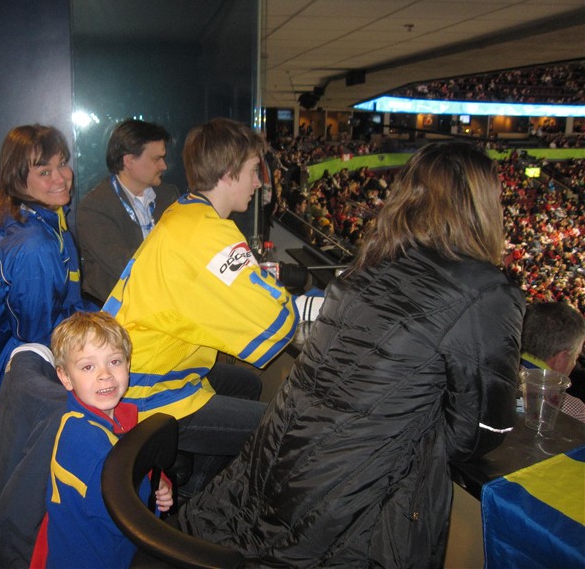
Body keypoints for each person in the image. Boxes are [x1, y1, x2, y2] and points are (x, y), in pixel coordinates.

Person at [177, 141, 524, 567]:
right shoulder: (487, 291)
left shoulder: (368, 267)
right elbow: (481, 430)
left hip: (275, 471)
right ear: (483, 204)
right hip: (353, 508)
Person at [104, 118, 323, 497]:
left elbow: (232, 284)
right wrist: (322, 307)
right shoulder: (208, 232)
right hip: (148, 392)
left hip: (144, 367)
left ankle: (198, 487)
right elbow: (273, 318)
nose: (259, 183)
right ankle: (197, 508)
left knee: (248, 383)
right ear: (228, 174)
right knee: (286, 429)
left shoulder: (185, 211)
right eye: (253, 171)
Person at [0, 124, 94, 436]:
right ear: (18, 178)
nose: (61, 177)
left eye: (62, 163)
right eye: (44, 171)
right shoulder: (33, 244)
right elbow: (40, 336)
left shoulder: (30, 217)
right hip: (22, 383)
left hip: (6, 369)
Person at [30, 312, 173, 568]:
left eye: (114, 361)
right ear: (65, 377)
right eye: (88, 367)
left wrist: (158, 479)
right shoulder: (86, 443)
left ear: (128, 366)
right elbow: (131, 519)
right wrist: (154, 499)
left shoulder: (111, 416)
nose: (105, 375)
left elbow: (134, 465)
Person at [77, 119, 179, 303]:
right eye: (157, 159)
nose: (164, 166)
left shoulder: (169, 195)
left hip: (165, 304)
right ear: (129, 161)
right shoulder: (94, 207)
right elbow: (124, 265)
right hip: (116, 311)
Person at [520, 301, 585, 422]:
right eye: (576, 357)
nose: (574, 364)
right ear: (561, 360)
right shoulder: (577, 412)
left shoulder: (493, 372)